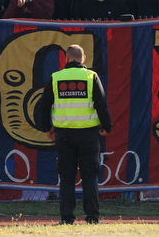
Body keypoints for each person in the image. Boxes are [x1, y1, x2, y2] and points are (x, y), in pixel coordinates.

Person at [39, 45, 111, 225]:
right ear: (83, 58)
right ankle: (93, 218)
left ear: (66, 58)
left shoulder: (56, 77)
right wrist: (107, 127)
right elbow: (101, 104)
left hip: (64, 135)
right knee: (90, 176)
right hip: (89, 135)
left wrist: (48, 129)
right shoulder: (91, 77)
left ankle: (66, 218)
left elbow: (43, 106)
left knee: (67, 177)